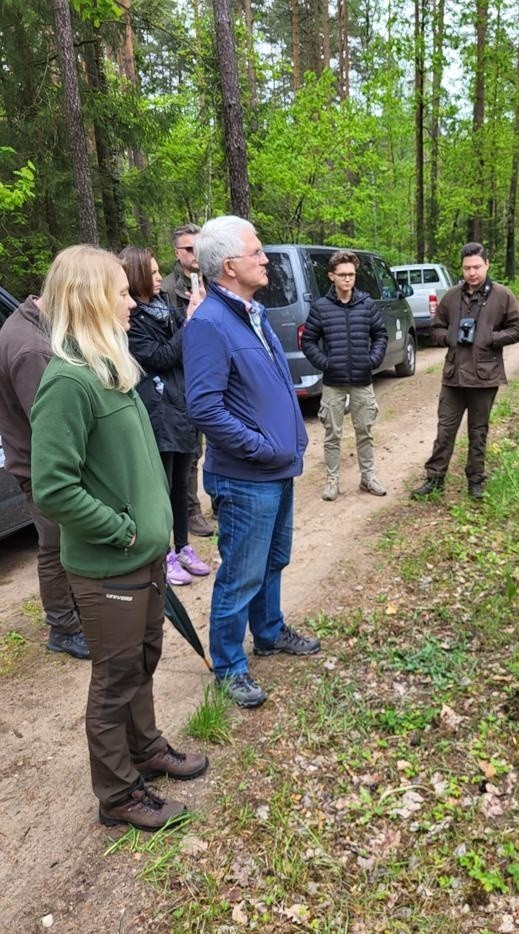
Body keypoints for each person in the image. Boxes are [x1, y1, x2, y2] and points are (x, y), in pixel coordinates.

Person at [30, 245, 207, 830]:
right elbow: (52, 489)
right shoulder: (67, 381)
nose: (133, 302)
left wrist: (150, 533)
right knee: (113, 681)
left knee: (143, 659)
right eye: (122, 293)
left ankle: (146, 748)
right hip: (110, 565)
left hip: (144, 557)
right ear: (90, 299)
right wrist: (123, 531)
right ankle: (118, 795)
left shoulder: (111, 366)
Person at [183, 216, 320, 710]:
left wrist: (294, 438)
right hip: (245, 476)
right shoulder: (208, 324)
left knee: (273, 560)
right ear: (228, 265)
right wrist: (261, 447)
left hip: (276, 469)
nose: (266, 259)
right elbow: (204, 407)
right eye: (257, 252)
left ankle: (268, 632)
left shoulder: (251, 312)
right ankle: (229, 666)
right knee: (240, 572)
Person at [0, 295, 90, 659]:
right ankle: (64, 628)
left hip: (37, 463)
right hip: (41, 469)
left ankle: (72, 613)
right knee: (54, 546)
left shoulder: (31, 327)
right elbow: (51, 422)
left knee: (59, 543)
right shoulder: (30, 348)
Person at [120, 246, 211, 587]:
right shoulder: (132, 321)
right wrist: (188, 322)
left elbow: (184, 340)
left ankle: (184, 545)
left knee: (180, 484)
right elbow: (159, 357)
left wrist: (190, 313)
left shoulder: (163, 308)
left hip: (180, 404)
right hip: (158, 411)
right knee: (161, 485)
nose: (160, 277)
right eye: (154, 272)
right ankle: (165, 554)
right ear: (138, 277)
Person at [411, 243, 519, 501]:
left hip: (485, 377)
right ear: (461, 269)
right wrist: (449, 337)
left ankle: (475, 481)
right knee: (445, 430)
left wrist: (489, 337)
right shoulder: (451, 296)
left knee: (478, 431)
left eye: (476, 267)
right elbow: (435, 328)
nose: (472, 273)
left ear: (487, 265)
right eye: (466, 268)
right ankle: (434, 479)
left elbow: (518, 330)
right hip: (453, 377)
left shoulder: (502, 295)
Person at [301, 250, 389, 501]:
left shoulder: (367, 304)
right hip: (333, 383)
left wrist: (372, 361)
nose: (348, 279)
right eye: (342, 275)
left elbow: (380, 335)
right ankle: (332, 480)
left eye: (351, 274)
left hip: (362, 381)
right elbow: (308, 341)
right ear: (332, 276)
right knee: (332, 434)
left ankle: (368, 477)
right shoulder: (321, 308)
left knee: (365, 430)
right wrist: (326, 364)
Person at [161, 223, 215, 539]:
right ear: (177, 253)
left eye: (199, 248)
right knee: (191, 448)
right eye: (189, 249)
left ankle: (221, 500)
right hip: (183, 373)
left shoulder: (214, 280)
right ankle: (191, 510)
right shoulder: (167, 288)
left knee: (220, 439)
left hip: (212, 368)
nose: (195, 255)